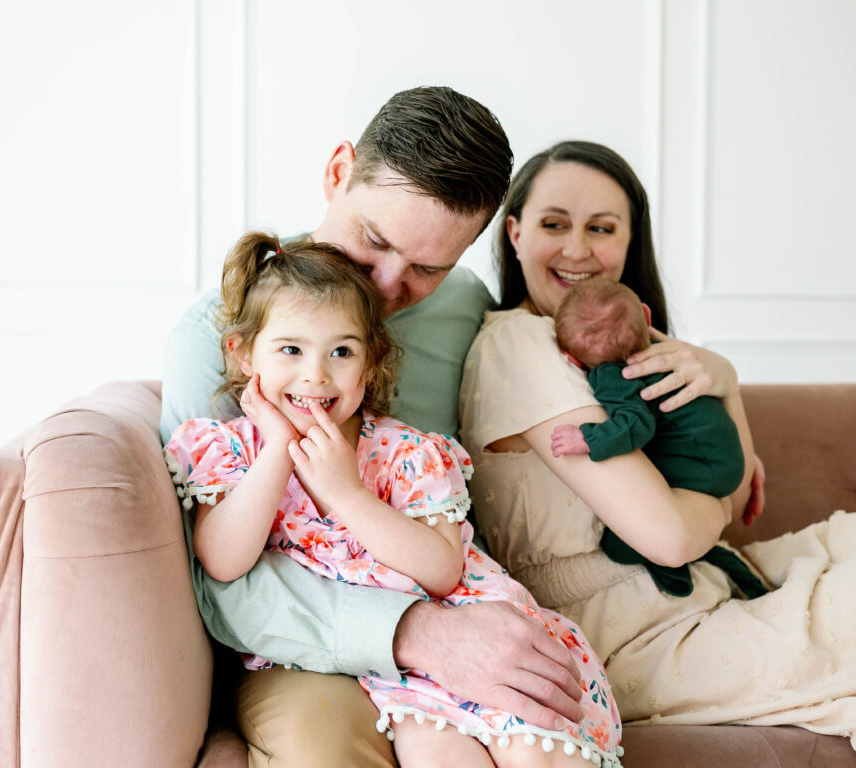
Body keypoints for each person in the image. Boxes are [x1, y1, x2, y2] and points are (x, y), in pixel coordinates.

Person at [161, 87, 585, 768]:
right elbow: (214, 579)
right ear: (337, 173)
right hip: (302, 651)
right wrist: (416, 634)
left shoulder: (464, 308)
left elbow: (575, 343)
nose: (387, 286)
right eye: (375, 239)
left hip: (453, 593)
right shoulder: (223, 336)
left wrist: (705, 385)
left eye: (427, 269)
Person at [459, 139, 856, 768]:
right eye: (554, 224)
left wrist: (722, 378)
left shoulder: (627, 347)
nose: (577, 248)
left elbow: (737, 481)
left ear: (628, 240)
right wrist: (716, 504)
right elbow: (673, 534)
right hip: (636, 636)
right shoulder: (519, 344)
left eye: (602, 228)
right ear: (514, 231)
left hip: (709, 582)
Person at [550, 277, 765, 598]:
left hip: (705, 470)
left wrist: (588, 439)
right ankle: (713, 562)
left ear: (572, 360)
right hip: (725, 458)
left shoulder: (611, 375)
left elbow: (637, 425)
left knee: (619, 543)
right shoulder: (671, 356)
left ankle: (673, 572)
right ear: (647, 318)